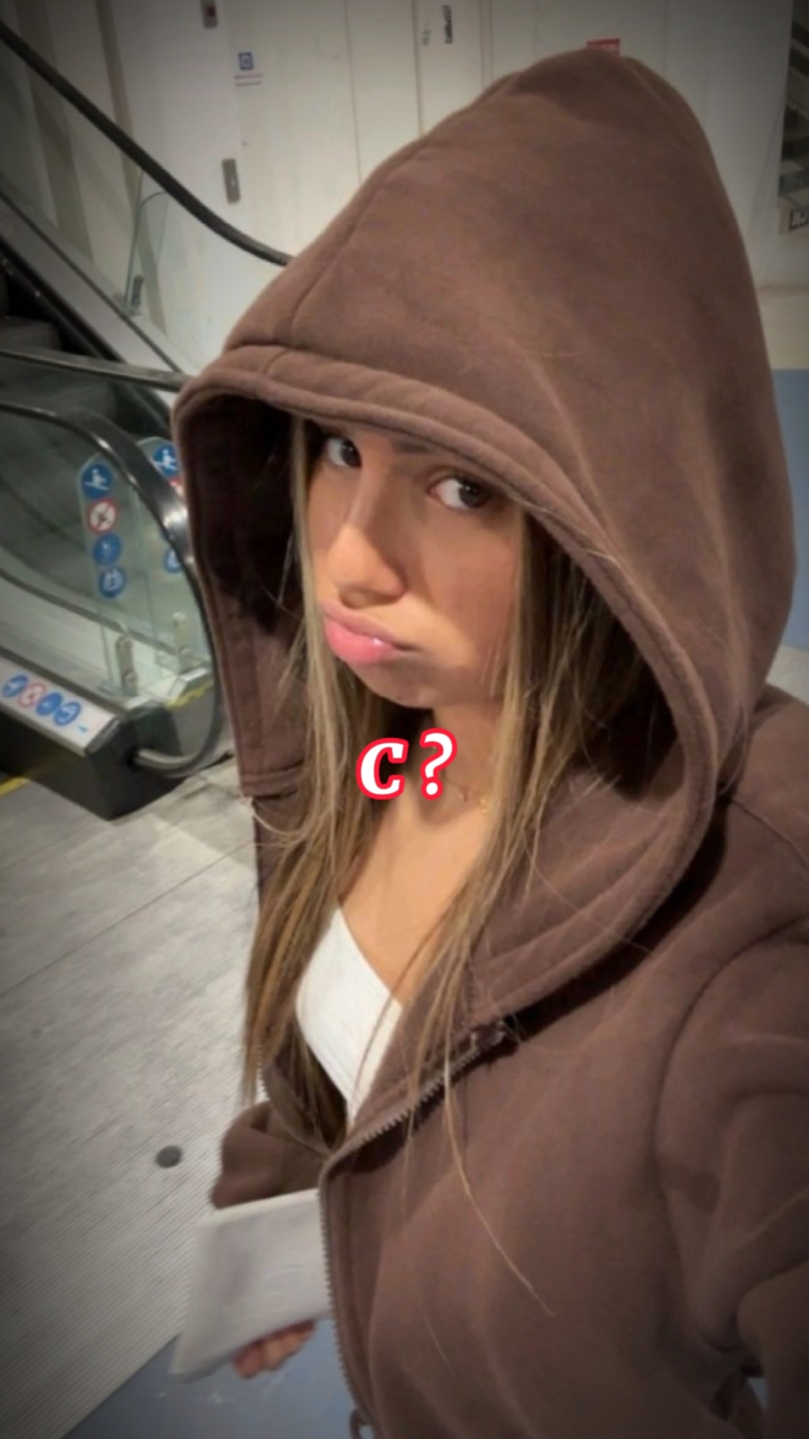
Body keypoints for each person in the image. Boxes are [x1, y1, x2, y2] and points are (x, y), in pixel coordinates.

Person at [173, 45, 808, 1439]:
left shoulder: (755, 948)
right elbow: (351, 1049)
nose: (349, 561)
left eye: (463, 486)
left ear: (612, 514)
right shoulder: (388, 750)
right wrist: (285, 1187)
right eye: (338, 450)